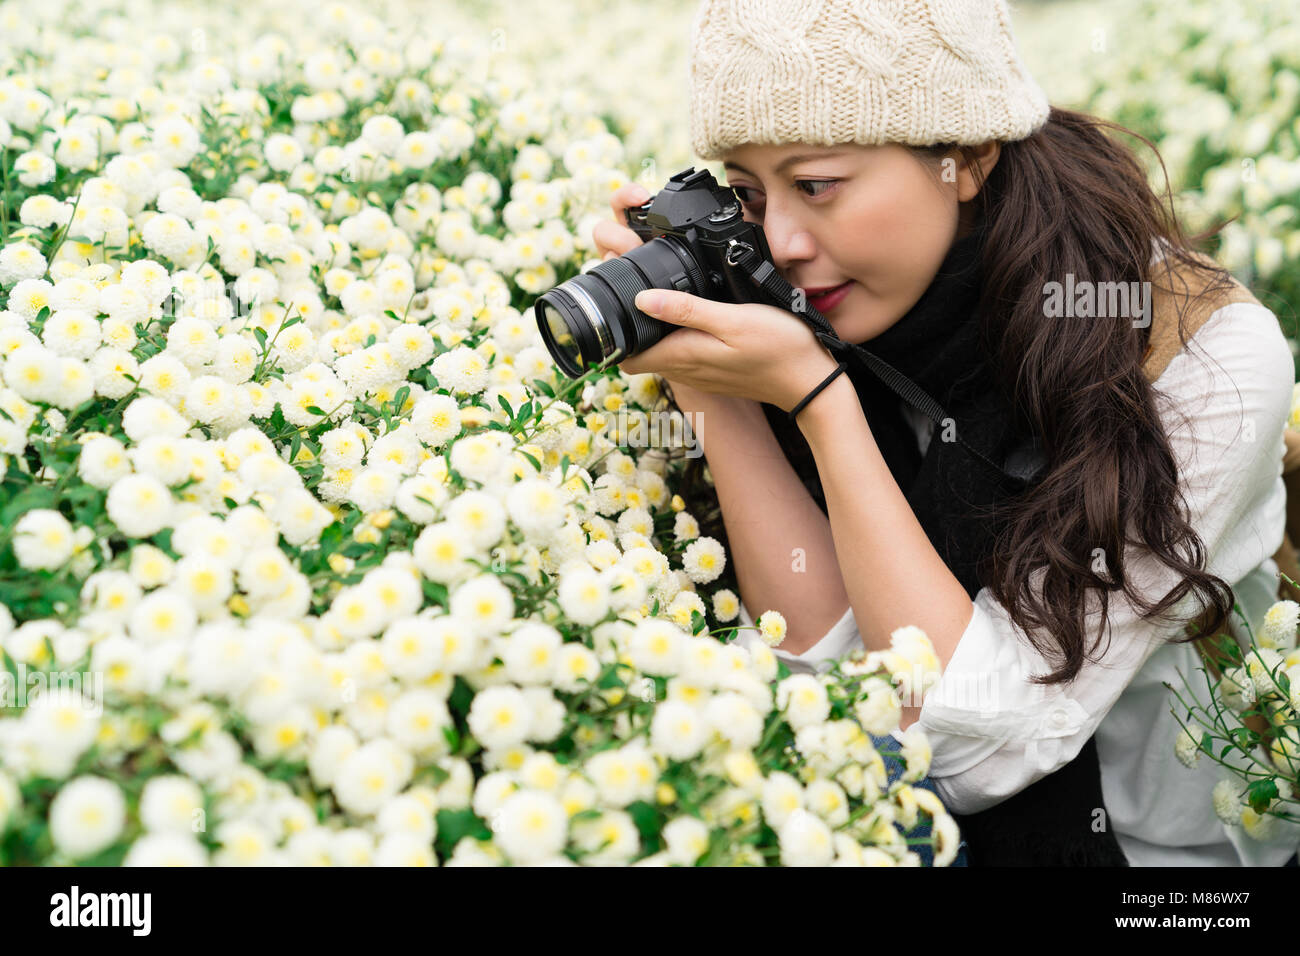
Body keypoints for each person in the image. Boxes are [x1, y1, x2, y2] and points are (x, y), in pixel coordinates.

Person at [591, 0, 1300, 866]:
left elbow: (971, 744)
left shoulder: (1202, 357)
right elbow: (824, 676)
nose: (780, 239)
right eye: (746, 192)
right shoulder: (801, 313)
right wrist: (704, 373)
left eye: (815, 184)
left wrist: (822, 404)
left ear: (963, 157)